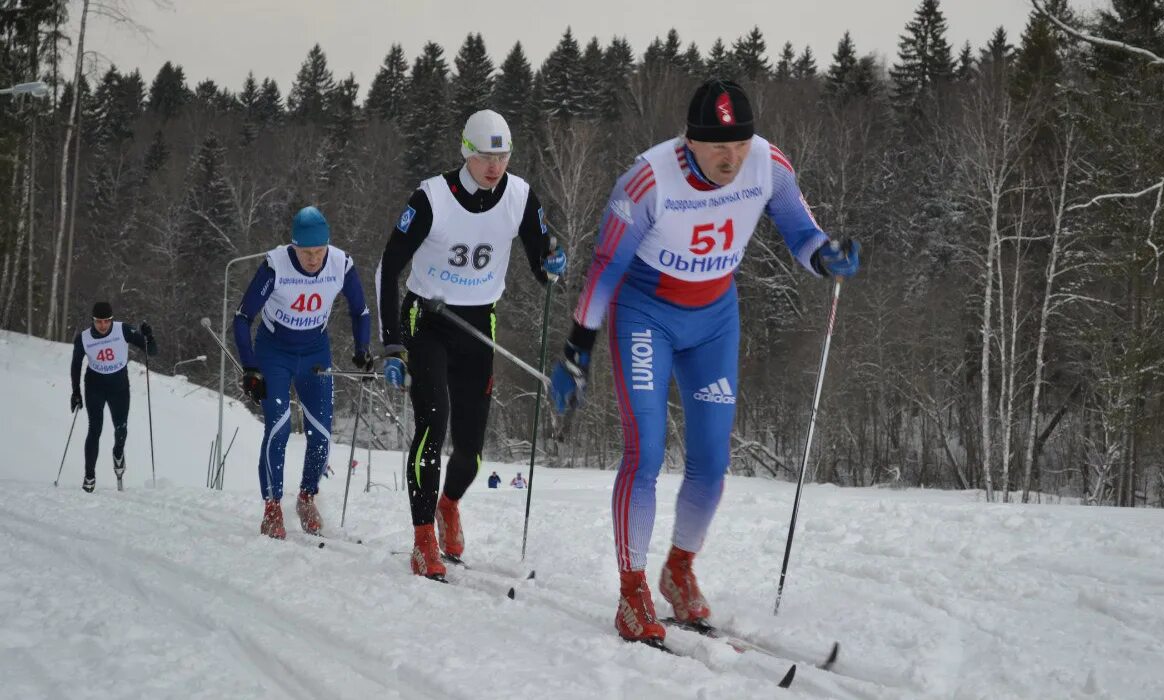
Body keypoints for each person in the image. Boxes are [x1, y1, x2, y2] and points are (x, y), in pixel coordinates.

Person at [548, 80, 861, 644]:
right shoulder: (647, 181)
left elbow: (801, 232)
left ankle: (679, 567)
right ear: (688, 141)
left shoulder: (769, 164)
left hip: (715, 317)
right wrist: (577, 347)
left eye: (740, 143)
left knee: (712, 462)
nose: (731, 157)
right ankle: (632, 588)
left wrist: (826, 257)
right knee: (643, 452)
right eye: (718, 145)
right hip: (647, 313)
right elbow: (605, 268)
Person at [376, 109, 567, 579]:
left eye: (502, 156)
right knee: (432, 425)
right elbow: (387, 267)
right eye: (485, 155)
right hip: (429, 320)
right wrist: (391, 345)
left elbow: (542, 260)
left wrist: (552, 264)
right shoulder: (432, 197)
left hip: (480, 322)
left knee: (471, 451)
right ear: (467, 151)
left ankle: (448, 505)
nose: (494, 166)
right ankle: (423, 540)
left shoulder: (520, 196)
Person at [233, 206, 371, 539]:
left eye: (319, 251)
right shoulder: (275, 265)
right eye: (306, 252)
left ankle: (307, 496)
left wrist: (361, 349)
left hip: (314, 354)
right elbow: (242, 317)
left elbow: (361, 310)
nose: (313, 259)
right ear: (293, 247)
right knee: (278, 430)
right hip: (274, 352)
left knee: (321, 435)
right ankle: (272, 507)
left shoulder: (341, 264)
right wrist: (250, 366)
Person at [70, 301, 157, 492]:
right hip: (95, 387)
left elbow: (152, 352)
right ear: (93, 320)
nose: (103, 326)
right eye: (98, 322)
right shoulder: (83, 338)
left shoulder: (123, 330)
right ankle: (89, 476)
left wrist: (149, 337)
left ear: (111, 320)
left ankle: (118, 453)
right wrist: (75, 392)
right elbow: (76, 365)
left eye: (106, 321)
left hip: (119, 388)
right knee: (95, 430)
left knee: (121, 430)